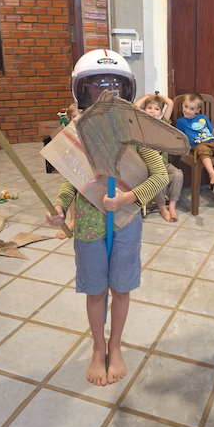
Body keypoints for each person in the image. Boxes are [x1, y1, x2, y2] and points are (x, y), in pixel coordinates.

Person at [46, 49, 168, 386]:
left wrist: (130, 197)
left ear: (126, 90)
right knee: (96, 292)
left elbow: (160, 176)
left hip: (126, 224)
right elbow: (71, 180)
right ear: (81, 90)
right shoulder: (79, 132)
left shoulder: (136, 132)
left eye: (113, 86)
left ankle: (115, 346)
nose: (105, 94)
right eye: (96, 86)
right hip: (88, 225)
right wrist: (60, 208)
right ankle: (98, 347)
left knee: (121, 289)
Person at [134, 92, 183, 222]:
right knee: (159, 178)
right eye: (149, 107)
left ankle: (172, 205)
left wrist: (159, 96)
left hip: (164, 163)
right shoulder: (141, 123)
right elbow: (134, 108)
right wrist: (146, 97)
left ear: (161, 113)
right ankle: (162, 208)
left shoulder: (162, 124)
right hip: (149, 166)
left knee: (178, 174)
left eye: (156, 109)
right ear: (144, 110)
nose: (152, 111)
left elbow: (170, 103)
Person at [56, 103, 80, 240]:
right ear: (70, 120)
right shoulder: (69, 135)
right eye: (75, 117)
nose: (79, 120)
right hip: (74, 167)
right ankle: (73, 219)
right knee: (71, 190)